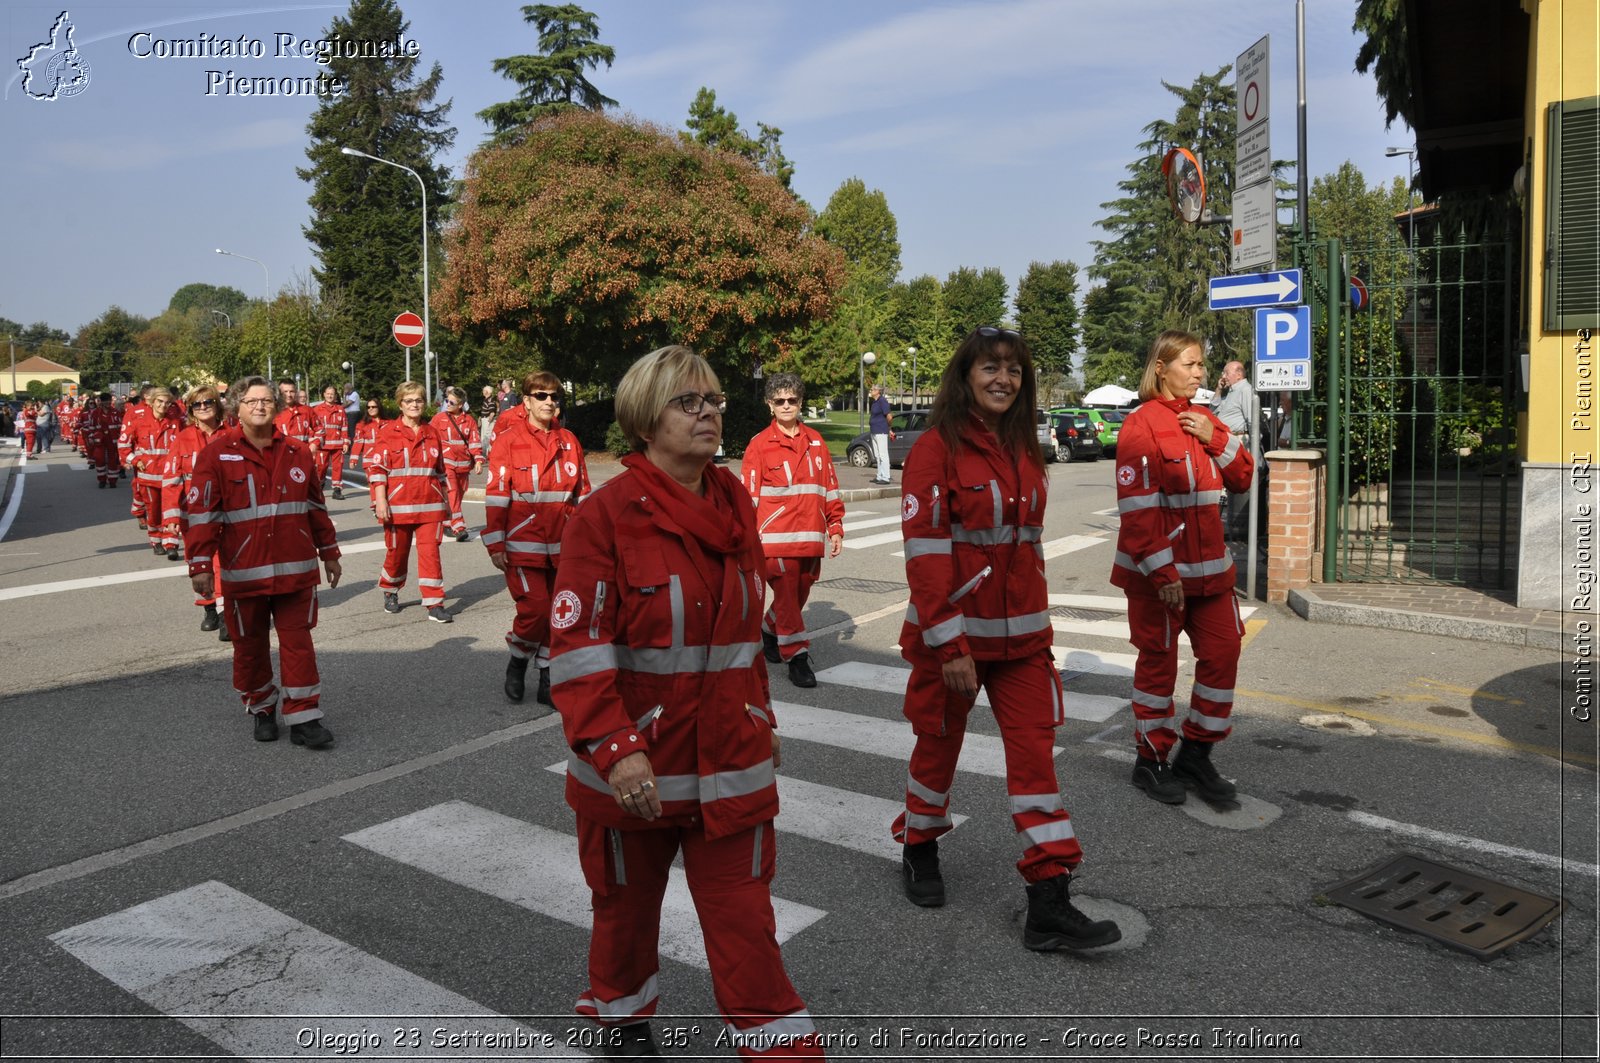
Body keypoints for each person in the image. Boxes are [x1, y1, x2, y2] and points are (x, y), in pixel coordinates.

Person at [547, 346, 824, 1060]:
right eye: (687, 402)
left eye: (713, 400)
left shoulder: (734, 501)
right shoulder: (603, 517)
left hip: (730, 758)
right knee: (625, 917)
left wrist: (765, 718)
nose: (708, 413)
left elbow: (739, 637)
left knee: (746, 929)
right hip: (635, 769)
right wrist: (615, 750)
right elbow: (579, 654)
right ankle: (625, 1021)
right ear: (646, 420)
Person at [893, 325, 1122, 953]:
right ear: (965, 376)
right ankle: (919, 845)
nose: (1003, 379)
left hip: (1022, 643)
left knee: (1036, 764)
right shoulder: (935, 449)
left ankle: (1049, 900)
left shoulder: (1025, 446)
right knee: (937, 749)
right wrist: (949, 646)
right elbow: (927, 556)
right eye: (990, 367)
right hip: (956, 643)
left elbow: (1025, 549)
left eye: (1014, 369)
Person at [1113, 330, 1254, 806]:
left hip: (1211, 574)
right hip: (1162, 577)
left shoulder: (1206, 419)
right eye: (1189, 365)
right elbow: (1138, 512)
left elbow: (1243, 476)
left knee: (1223, 653)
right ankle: (1150, 762)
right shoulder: (1140, 425)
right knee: (1158, 667)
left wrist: (1215, 436)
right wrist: (1162, 573)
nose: (1198, 373)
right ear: (1161, 368)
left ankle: (1196, 753)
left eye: (1200, 365)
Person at [185, 376, 341, 748]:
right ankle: (261, 708)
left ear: (277, 406)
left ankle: (304, 716)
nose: (260, 406)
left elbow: (316, 507)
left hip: (296, 570)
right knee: (249, 645)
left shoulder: (298, 452)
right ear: (235, 407)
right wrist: (201, 564)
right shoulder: (215, 454)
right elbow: (202, 514)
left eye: (267, 400)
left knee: (298, 644)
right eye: (252, 400)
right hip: (244, 573)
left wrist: (330, 552)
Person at [483, 371, 590, 706]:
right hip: (522, 544)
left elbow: (582, 494)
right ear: (526, 401)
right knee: (536, 610)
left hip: (563, 546)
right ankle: (517, 661)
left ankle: (547, 677)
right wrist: (496, 542)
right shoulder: (508, 441)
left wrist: (592, 541)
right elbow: (497, 495)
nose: (549, 402)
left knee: (559, 614)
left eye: (554, 396)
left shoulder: (569, 441)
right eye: (541, 396)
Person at [742, 372, 844, 689]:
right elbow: (748, 496)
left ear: (800, 403)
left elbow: (829, 487)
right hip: (775, 542)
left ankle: (769, 629)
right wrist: (744, 538)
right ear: (770, 405)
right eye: (780, 401)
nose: (786, 405)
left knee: (797, 596)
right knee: (787, 598)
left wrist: (835, 525)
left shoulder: (816, 441)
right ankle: (797, 658)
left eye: (792, 400)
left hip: (811, 539)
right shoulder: (759, 445)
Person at [365, 381, 452, 623]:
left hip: (430, 506)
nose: (414, 405)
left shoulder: (432, 432)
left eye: (418, 400)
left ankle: (435, 603)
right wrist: (380, 501)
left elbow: (441, 473)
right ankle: (390, 588)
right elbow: (377, 470)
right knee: (397, 553)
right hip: (397, 506)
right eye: (409, 401)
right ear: (400, 404)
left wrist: (448, 505)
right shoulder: (387, 433)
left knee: (430, 554)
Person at [162, 385, 230, 638]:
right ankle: (208, 608)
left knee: (222, 563)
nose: (203, 408)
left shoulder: (232, 435)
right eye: (196, 405)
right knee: (199, 562)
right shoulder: (182, 438)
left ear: (217, 404)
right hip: (194, 514)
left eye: (208, 402)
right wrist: (170, 515)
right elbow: (171, 478)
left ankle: (226, 615)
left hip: (226, 512)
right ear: (190, 410)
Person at [121, 387, 182, 555]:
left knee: (171, 509)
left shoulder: (175, 422)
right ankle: (156, 540)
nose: (163, 406)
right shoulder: (139, 421)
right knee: (154, 511)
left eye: (167, 403)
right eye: (160, 402)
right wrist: (135, 460)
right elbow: (123, 444)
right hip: (148, 477)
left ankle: (171, 543)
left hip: (171, 476)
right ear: (152, 402)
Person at [430, 387, 485, 542]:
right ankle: (459, 527)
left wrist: (478, 460)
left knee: (458, 494)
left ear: (460, 404)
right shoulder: (439, 418)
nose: (447, 403)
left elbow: (474, 441)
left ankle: (447, 522)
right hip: (446, 463)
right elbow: (428, 437)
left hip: (464, 464)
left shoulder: (469, 421)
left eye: (451, 401)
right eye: (446, 400)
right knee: (452, 491)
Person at [1212, 360, 1257, 543]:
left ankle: (1235, 530)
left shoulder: (1245, 390)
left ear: (1239, 374)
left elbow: (1251, 419)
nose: (1224, 376)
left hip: (1238, 440)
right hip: (1225, 442)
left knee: (1230, 486)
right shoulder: (1229, 392)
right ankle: (1224, 528)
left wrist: (1251, 449)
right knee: (1221, 488)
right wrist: (1218, 389)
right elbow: (1213, 411)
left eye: (1226, 372)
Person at [312, 385, 351, 500]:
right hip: (322, 445)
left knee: (338, 467)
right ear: (324, 394)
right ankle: (318, 487)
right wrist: (314, 442)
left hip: (338, 445)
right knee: (320, 468)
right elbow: (314, 427)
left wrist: (346, 442)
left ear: (335, 396)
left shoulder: (340, 410)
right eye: (328, 393)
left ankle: (337, 490)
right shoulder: (317, 409)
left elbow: (344, 427)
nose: (330, 396)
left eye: (332, 394)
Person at [82, 393, 120, 487]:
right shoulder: (96, 413)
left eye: (109, 400)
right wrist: (91, 437)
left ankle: (112, 481)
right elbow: (91, 427)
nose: (108, 402)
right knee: (100, 460)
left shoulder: (115, 412)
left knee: (113, 461)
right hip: (99, 441)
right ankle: (102, 480)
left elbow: (120, 427)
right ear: (101, 402)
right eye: (106, 400)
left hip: (112, 440)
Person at [273, 379, 317, 449]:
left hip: (303, 454)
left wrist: (314, 444)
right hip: (282, 455)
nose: (289, 395)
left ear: (296, 392)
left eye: (292, 391)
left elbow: (320, 430)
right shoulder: (273, 412)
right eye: (285, 391)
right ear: (280, 393)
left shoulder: (307, 410)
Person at [868, 384, 892, 484]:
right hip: (874, 431)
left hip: (881, 431)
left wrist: (889, 428)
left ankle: (886, 477)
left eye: (873, 389)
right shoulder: (875, 402)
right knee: (877, 455)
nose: (871, 390)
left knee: (883, 455)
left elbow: (889, 416)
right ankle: (879, 476)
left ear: (878, 391)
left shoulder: (882, 401)